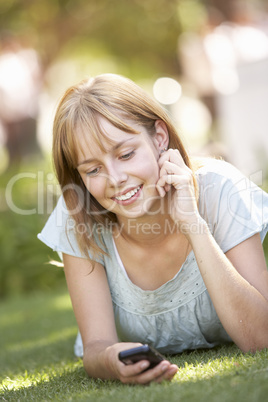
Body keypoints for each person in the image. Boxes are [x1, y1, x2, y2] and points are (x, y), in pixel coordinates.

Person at [38, 73, 268, 385]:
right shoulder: (78, 216)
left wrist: (192, 224)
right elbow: (96, 346)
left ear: (159, 137)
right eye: (93, 169)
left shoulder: (220, 190)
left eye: (126, 154)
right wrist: (111, 361)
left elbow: (260, 337)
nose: (116, 178)